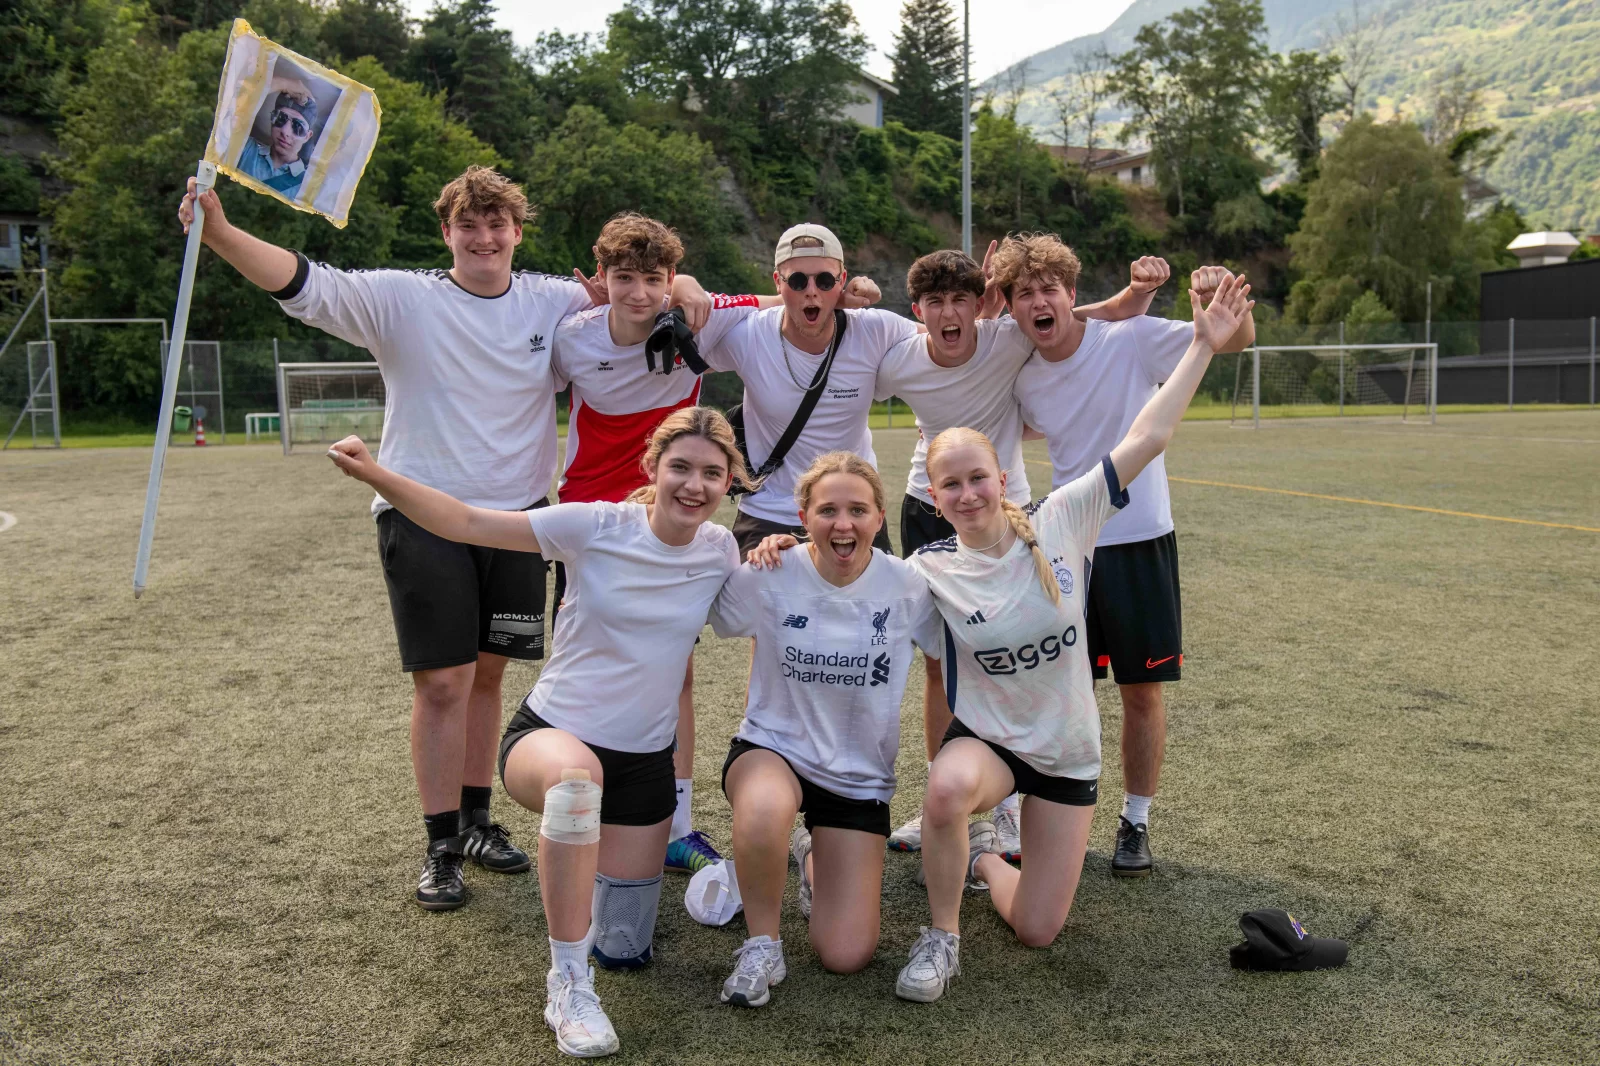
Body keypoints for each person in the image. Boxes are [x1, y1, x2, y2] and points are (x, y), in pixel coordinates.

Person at [178, 165, 712, 912]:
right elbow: (302, 281)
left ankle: (477, 822)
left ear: (517, 233)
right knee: (442, 684)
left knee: (489, 677)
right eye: (469, 225)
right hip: (424, 514)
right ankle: (439, 844)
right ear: (447, 232)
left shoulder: (553, 300)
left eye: (497, 225)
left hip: (520, 521)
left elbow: (642, 288)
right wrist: (222, 232)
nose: (484, 238)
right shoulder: (402, 296)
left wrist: (685, 286)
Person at [326, 406, 749, 1058]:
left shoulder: (719, 549)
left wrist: (782, 549)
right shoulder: (596, 525)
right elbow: (467, 523)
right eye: (681, 468)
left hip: (645, 767)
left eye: (712, 474)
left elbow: (756, 607)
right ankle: (567, 984)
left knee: (625, 947)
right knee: (577, 785)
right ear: (653, 468)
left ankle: (592, 915)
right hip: (551, 737)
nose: (694, 485)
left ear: (728, 483)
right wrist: (375, 474)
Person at [892, 272, 1254, 1004]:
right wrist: (782, 551)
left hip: (1065, 753)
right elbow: (840, 581)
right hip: (991, 745)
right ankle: (942, 935)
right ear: (933, 495)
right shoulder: (925, 570)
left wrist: (1202, 348)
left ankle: (984, 859)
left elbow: (1147, 436)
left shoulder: (1061, 519)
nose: (966, 494)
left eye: (977, 478)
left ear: (1002, 478)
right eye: (950, 485)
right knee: (947, 788)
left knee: (1037, 929)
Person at [551, 213, 878, 876]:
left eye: (654, 279)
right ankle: (579, 806)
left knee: (675, 669)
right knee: (583, 659)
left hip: (671, 512)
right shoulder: (572, 337)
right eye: (623, 278)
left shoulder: (699, 317)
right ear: (604, 278)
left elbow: (775, 299)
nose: (639, 293)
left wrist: (844, 295)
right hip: (592, 517)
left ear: (670, 279)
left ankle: (673, 824)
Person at [874, 246, 1171, 862]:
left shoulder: (1008, 338)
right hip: (927, 505)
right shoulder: (899, 360)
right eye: (935, 302)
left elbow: (1075, 314)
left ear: (982, 303)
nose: (949, 313)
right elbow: (843, 367)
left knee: (1017, 659)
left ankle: (1011, 805)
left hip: (1009, 512)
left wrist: (1136, 295)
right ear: (918, 310)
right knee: (940, 666)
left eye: (962, 299)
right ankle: (943, 796)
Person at [1000, 233, 1255, 878]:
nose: (1039, 302)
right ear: (1012, 306)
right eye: (1024, 293)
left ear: (1072, 293)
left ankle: (1136, 820)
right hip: (1068, 551)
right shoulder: (1024, 377)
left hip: (1141, 542)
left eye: (1049, 289)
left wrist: (1221, 298)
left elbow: (1231, 339)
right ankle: (1056, 820)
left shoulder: (1131, 339)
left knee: (1141, 692)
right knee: (1065, 693)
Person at [711, 453, 940, 1008]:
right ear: (803, 517)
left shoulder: (908, 585)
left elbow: (952, 657)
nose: (844, 524)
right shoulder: (769, 571)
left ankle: (810, 855)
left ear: (880, 517)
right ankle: (763, 946)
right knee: (765, 808)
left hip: (857, 776)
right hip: (773, 748)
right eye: (827, 511)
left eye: (858, 510)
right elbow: (707, 610)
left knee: (846, 954)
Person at [698, 223, 921, 559]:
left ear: (842, 281)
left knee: (874, 595)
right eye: (798, 281)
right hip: (770, 510)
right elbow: (673, 354)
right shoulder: (750, 335)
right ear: (778, 282)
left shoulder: (874, 329)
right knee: (753, 594)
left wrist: (988, 312)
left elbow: (947, 347)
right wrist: (683, 284)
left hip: (852, 507)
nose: (812, 292)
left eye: (825, 281)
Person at [234, 84, 317, 198]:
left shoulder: (308, 186)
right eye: (280, 119)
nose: (285, 131)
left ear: (307, 136)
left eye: (297, 127)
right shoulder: (246, 150)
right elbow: (232, 103)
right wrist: (285, 84)